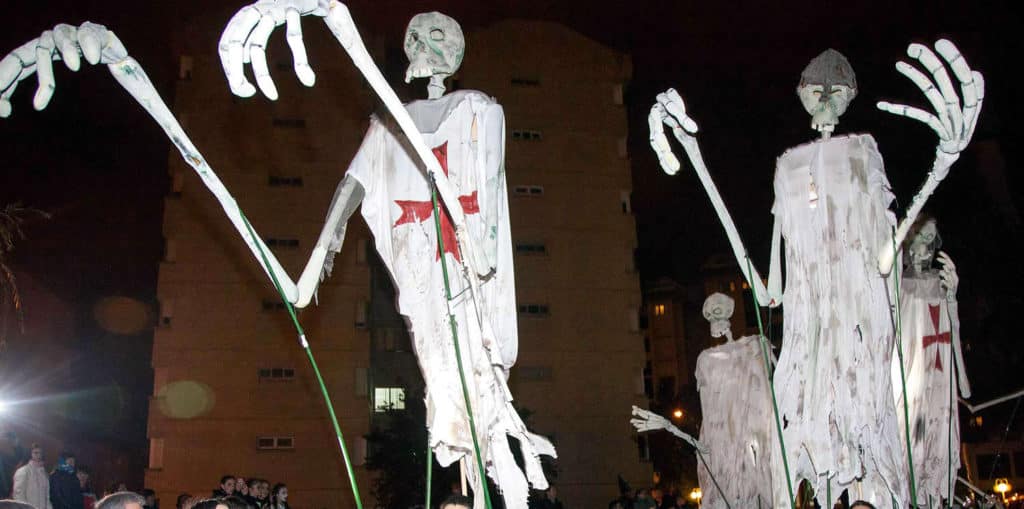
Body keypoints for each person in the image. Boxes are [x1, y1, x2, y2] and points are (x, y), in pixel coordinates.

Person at [12, 444, 51, 509]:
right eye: (35, 453)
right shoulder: (24, 471)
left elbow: (47, 496)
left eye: (40, 453)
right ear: (29, 454)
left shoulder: (43, 473)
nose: (39, 455)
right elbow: (18, 495)